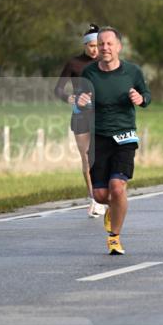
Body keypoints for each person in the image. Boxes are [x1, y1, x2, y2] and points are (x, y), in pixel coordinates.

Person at [76, 27, 151, 255]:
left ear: (119, 46)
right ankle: (114, 209)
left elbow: (147, 96)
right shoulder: (89, 73)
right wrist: (81, 101)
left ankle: (114, 238)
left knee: (117, 188)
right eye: (101, 44)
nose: (105, 48)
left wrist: (140, 98)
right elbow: (81, 99)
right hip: (99, 137)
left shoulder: (132, 72)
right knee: (100, 195)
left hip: (125, 136)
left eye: (109, 44)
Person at [54, 24, 104, 218]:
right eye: (91, 46)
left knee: (101, 154)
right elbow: (58, 89)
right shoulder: (74, 63)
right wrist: (69, 98)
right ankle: (93, 198)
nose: (94, 50)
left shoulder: (105, 62)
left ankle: (104, 194)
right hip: (80, 114)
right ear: (85, 45)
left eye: (97, 46)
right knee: (86, 157)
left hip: (102, 114)